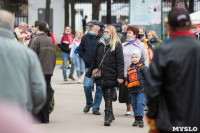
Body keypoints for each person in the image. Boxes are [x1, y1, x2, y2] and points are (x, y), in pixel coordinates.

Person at [145, 7, 200, 133]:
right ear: (190, 25)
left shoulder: (163, 51)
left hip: (169, 122)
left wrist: (153, 115)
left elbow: (152, 88)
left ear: (168, 27)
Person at [0, 10, 46, 115]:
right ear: (12, 27)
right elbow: (39, 91)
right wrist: (27, 112)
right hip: (17, 113)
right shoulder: (28, 54)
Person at [86, 25, 124, 126]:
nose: (105, 34)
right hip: (101, 75)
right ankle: (110, 112)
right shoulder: (100, 44)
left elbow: (120, 62)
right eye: (104, 32)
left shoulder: (117, 45)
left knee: (108, 94)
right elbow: (94, 60)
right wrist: (89, 73)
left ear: (112, 33)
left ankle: (107, 117)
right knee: (105, 95)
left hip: (111, 74)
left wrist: (120, 76)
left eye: (107, 32)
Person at [29, 20, 56, 123]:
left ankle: (36, 117)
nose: (33, 28)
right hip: (48, 70)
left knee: (36, 94)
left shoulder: (35, 40)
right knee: (46, 93)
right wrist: (51, 68)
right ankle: (45, 117)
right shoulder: (49, 40)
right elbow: (53, 56)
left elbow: (31, 57)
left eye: (34, 27)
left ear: (37, 28)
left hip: (37, 71)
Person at [119, 25, 149, 116]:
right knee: (126, 92)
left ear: (135, 34)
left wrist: (145, 70)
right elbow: (119, 59)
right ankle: (128, 108)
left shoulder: (141, 45)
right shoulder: (123, 45)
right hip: (126, 72)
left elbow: (146, 58)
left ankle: (138, 113)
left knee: (138, 93)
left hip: (138, 74)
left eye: (129, 33)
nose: (127, 35)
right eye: (127, 33)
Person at [78, 20, 103, 115]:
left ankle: (96, 108)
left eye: (92, 26)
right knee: (87, 86)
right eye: (89, 26)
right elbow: (80, 50)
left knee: (99, 89)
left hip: (100, 67)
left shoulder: (102, 38)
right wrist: (85, 57)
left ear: (97, 27)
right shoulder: (85, 37)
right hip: (89, 67)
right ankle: (89, 103)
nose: (90, 28)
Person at [125, 50, 148, 127]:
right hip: (132, 89)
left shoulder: (143, 67)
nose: (134, 59)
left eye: (136, 57)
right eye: (132, 57)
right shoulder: (130, 67)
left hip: (142, 89)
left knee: (140, 103)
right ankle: (136, 118)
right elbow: (128, 78)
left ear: (140, 57)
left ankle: (140, 119)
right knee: (134, 104)